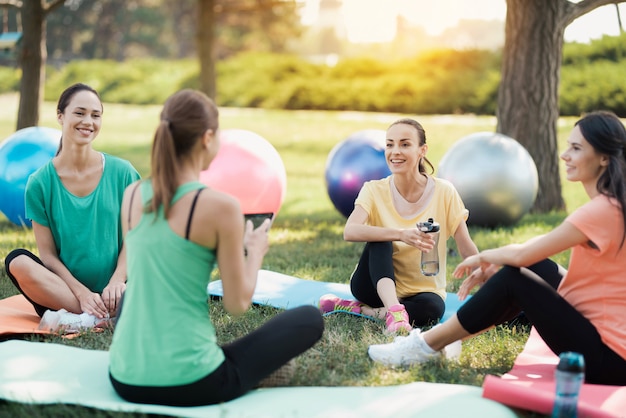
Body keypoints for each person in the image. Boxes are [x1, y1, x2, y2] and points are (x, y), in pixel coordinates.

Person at [368, 111, 626, 386]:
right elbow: (534, 251)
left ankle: (424, 346)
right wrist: (499, 259)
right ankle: (447, 340)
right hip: (605, 342)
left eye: (576, 148)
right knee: (537, 266)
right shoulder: (612, 205)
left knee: (514, 280)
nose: (564, 155)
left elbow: (523, 255)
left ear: (603, 158)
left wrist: (483, 258)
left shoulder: (601, 211)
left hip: (608, 361)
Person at [108, 89, 324, 406]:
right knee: (309, 318)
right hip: (193, 382)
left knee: (136, 292)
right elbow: (237, 305)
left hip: (124, 378)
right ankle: (247, 371)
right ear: (208, 137)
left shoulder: (132, 194)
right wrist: (255, 252)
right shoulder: (220, 207)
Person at [319, 118, 487, 334]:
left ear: (422, 150)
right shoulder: (373, 189)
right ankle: (396, 313)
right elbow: (350, 231)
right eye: (390, 144)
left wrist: (489, 289)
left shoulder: (445, 192)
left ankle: (363, 311)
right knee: (381, 240)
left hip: (421, 290)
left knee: (432, 310)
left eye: (405, 144)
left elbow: (465, 246)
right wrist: (401, 234)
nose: (395, 151)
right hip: (373, 285)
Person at [4, 83, 140, 331]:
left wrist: (118, 281)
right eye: (79, 113)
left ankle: (89, 318)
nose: (88, 121)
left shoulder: (123, 172)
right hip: (66, 292)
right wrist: (82, 294)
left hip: (121, 285)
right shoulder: (40, 183)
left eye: (95, 115)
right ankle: (100, 314)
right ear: (60, 116)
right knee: (16, 261)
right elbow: (48, 256)